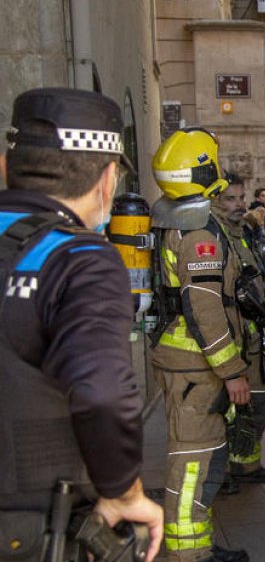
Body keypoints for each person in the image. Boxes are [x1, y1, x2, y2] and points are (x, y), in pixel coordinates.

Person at [0, 88, 163, 561]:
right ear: (108, 179)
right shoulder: (80, 259)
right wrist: (125, 491)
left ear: (10, 166)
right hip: (29, 527)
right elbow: (102, 392)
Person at [149, 128, 252, 562]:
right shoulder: (198, 229)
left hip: (185, 361)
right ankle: (189, 555)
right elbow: (205, 305)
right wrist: (232, 371)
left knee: (204, 456)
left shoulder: (171, 216)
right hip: (196, 365)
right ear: (204, 169)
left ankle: (198, 547)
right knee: (192, 464)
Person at [216, 174, 265, 488]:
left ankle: (247, 466)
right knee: (226, 413)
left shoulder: (243, 232)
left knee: (258, 407)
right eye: (230, 198)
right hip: (228, 337)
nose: (239, 205)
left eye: (241, 197)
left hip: (251, 333)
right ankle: (222, 473)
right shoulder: (212, 234)